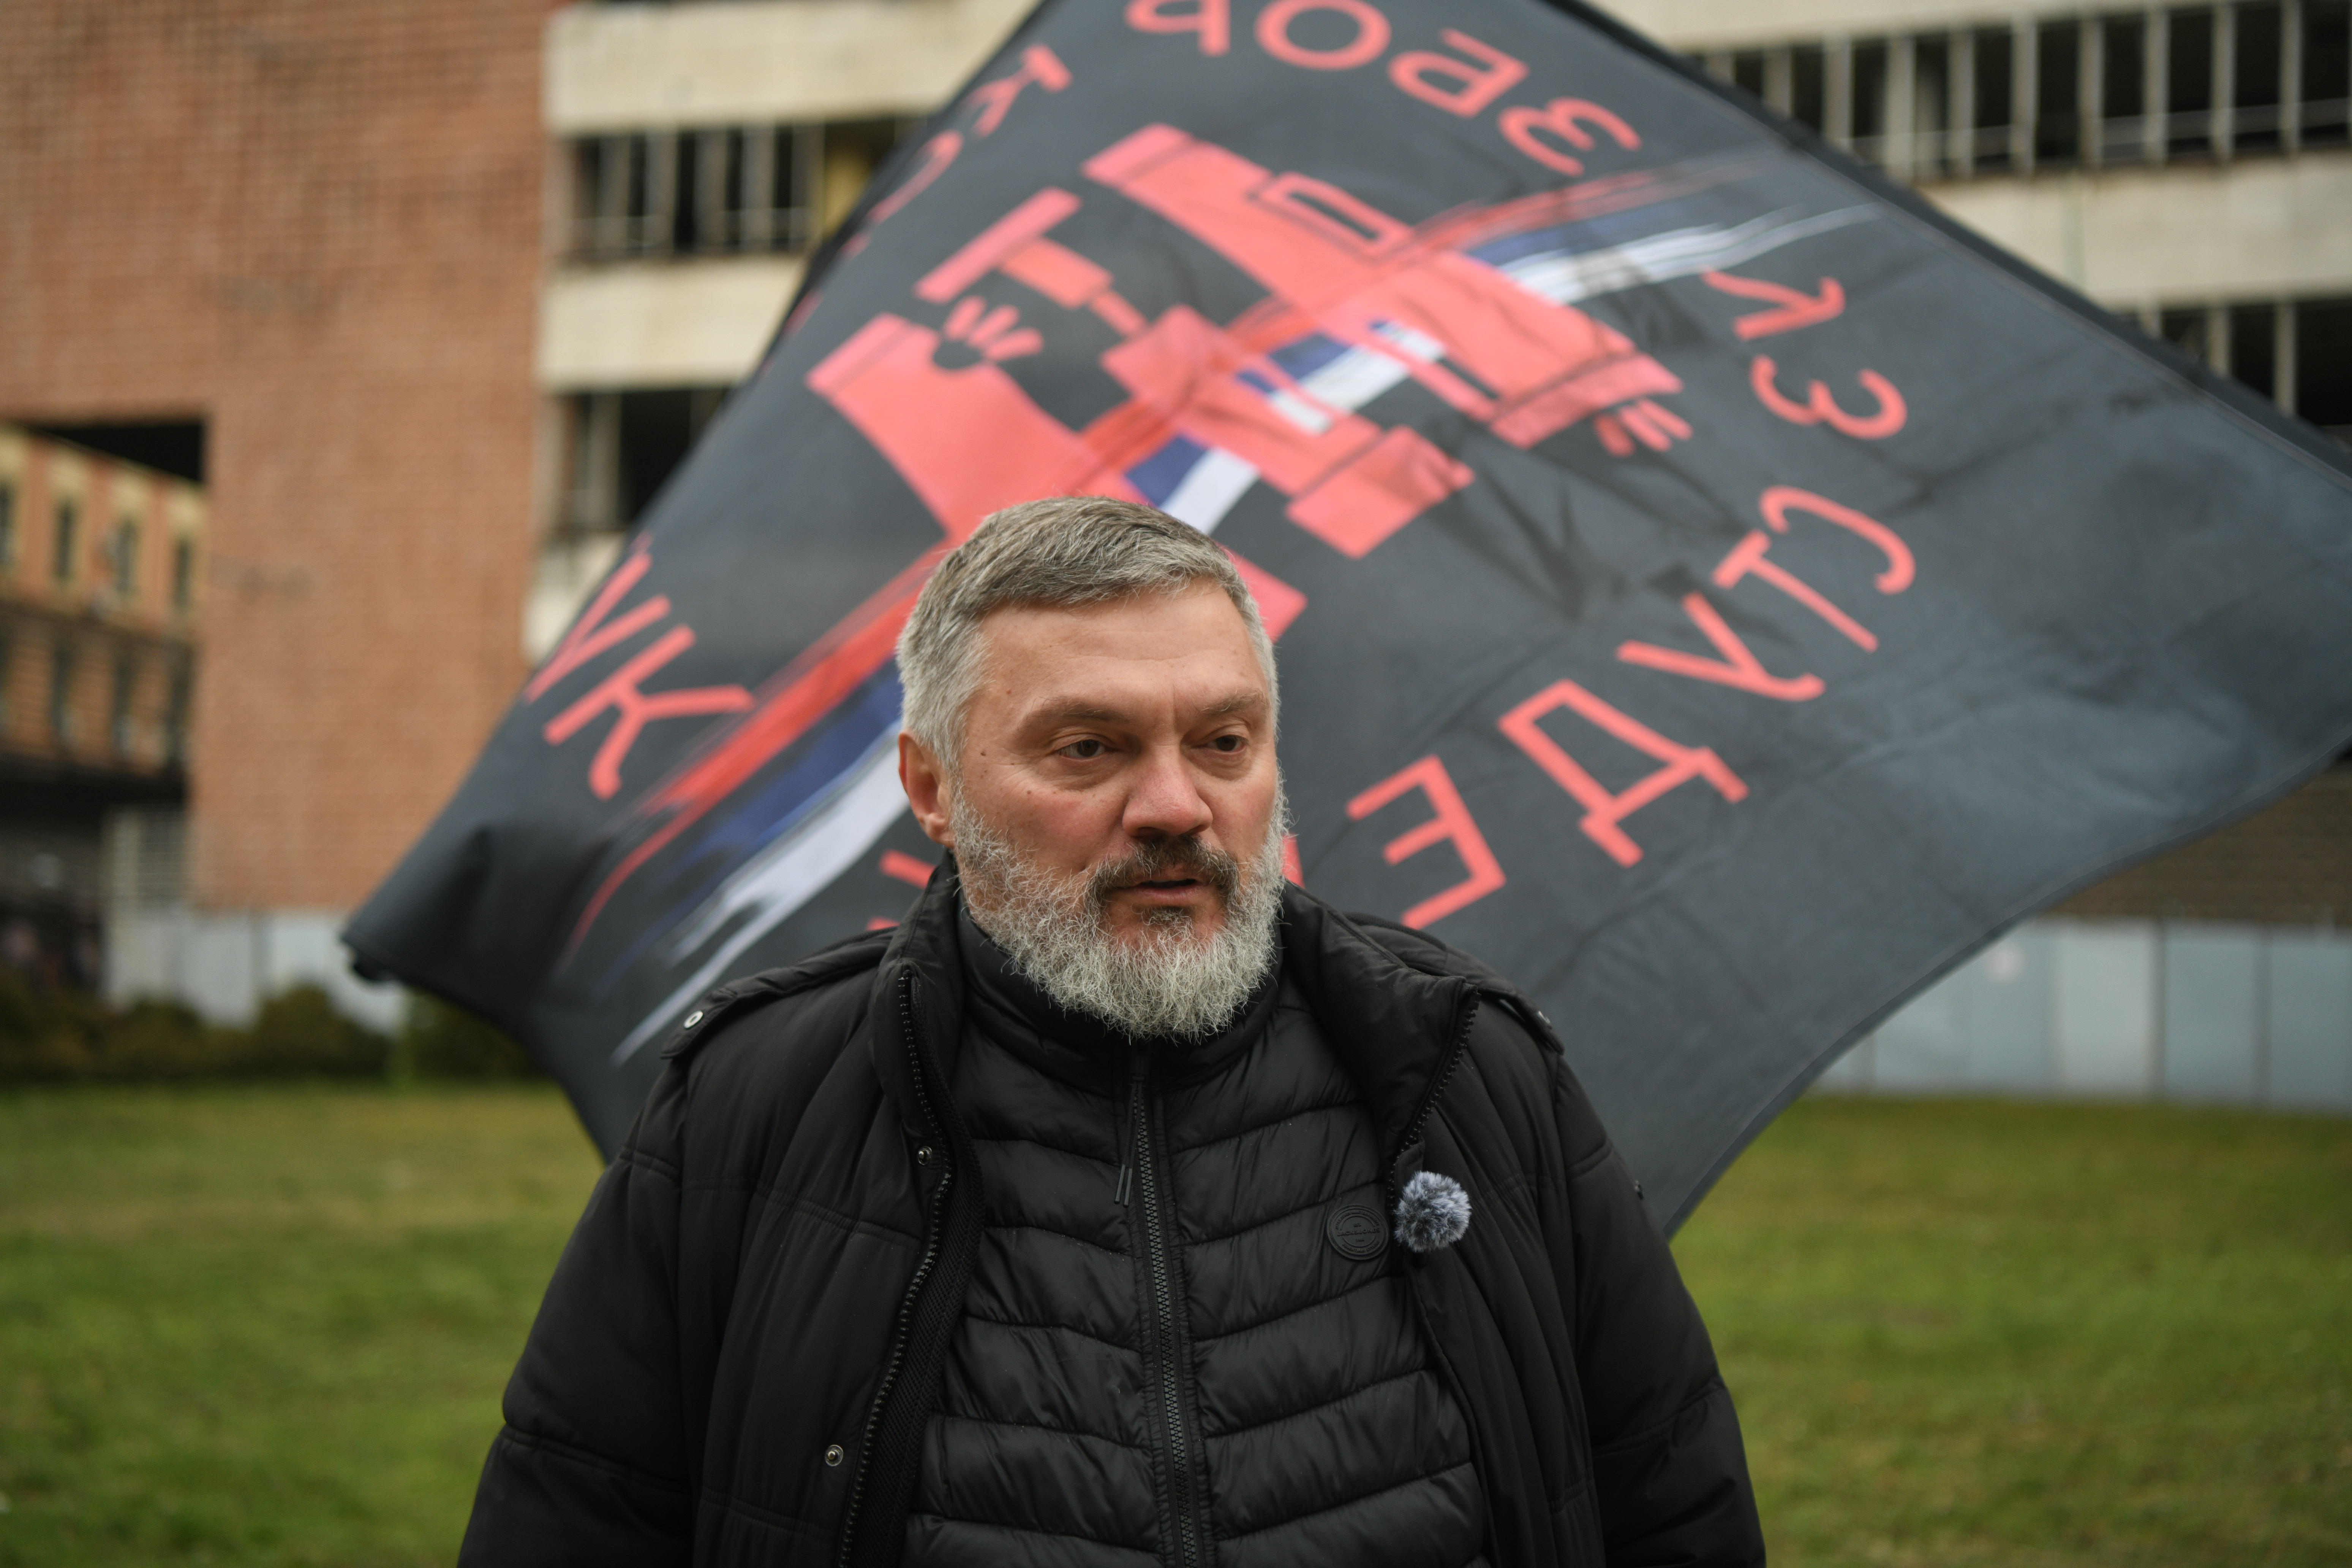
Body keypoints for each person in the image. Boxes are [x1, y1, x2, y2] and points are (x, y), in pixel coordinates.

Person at [458, 496, 1764, 1568]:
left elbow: (1676, 1506)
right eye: (1089, 748)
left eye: (1225, 741)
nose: (1176, 806)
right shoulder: (752, 1109)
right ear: (932, 787)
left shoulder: (1464, 1073)